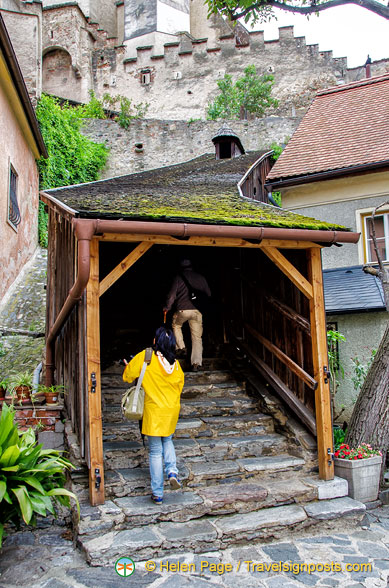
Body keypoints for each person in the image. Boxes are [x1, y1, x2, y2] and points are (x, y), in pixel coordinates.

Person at [122, 326, 184, 504]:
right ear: (172, 344)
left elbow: (128, 376)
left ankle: (158, 493)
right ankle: (172, 471)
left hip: (153, 410)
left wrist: (128, 368)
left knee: (156, 451)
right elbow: (179, 387)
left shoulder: (146, 357)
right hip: (171, 410)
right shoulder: (176, 365)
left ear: (155, 341)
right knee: (168, 440)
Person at [163, 259, 211, 371]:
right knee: (197, 337)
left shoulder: (178, 278)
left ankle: (181, 347)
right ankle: (196, 363)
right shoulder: (201, 278)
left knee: (176, 325)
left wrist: (167, 307)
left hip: (182, 310)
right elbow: (209, 294)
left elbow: (171, 296)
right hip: (197, 311)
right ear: (191, 266)